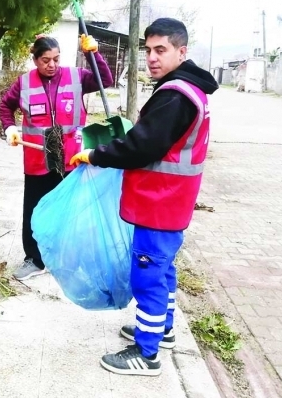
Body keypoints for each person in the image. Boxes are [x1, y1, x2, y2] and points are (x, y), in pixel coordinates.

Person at [69, 18, 219, 376]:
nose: (152, 57)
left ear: (182, 52)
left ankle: (146, 353)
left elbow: (142, 146)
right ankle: (161, 329)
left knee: (147, 276)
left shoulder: (175, 95)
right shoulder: (187, 89)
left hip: (160, 202)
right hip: (171, 203)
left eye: (160, 50)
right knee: (164, 271)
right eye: (148, 50)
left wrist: (96, 155)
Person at [0, 34, 114, 281]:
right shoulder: (24, 83)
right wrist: (9, 128)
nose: (51, 64)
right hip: (38, 159)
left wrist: (93, 54)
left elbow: (106, 80)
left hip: (71, 159)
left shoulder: (77, 77)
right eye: (45, 60)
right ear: (35, 60)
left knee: (71, 210)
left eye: (56, 59)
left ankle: (67, 258)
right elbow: (5, 106)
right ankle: (34, 259)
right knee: (34, 209)